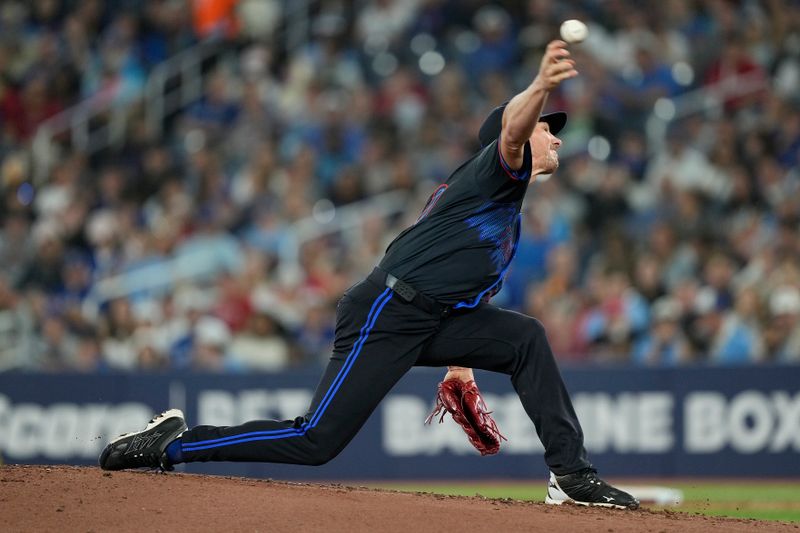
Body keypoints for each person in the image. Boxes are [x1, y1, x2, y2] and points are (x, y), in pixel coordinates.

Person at [99, 40, 639, 510]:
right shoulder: (494, 173)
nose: (556, 137)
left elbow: (461, 296)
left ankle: (571, 474)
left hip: (425, 315)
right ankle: (173, 444)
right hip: (386, 309)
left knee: (524, 338)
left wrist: (462, 367)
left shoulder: (502, 219)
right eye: (549, 127)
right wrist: (540, 85)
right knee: (317, 439)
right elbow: (514, 133)